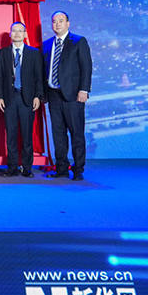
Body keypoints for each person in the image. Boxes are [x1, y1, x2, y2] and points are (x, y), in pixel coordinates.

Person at [43, 11, 92, 181]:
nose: (57, 24)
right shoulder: (46, 45)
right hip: (53, 95)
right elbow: (43, 71)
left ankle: (78, 169)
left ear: (68, 23)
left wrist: (84, 90)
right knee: (58, 134)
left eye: (61, 21)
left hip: (73, 96)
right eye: (54, 21)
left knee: (76, 133)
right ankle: (61, 168)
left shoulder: (79, 41)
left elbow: (86, 67)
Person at [0, 21, 43, 177]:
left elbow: (39, 77)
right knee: (11, 135)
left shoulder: (34, 53)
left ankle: (27, 168)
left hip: (27, 98)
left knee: (27, 135)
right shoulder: (2, 53)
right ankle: (12, 167)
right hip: (9, 98)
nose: (17, 33)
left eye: (20, 31)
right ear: (10, 34)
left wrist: (38, 96)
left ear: (25, 34)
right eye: (14, 31)